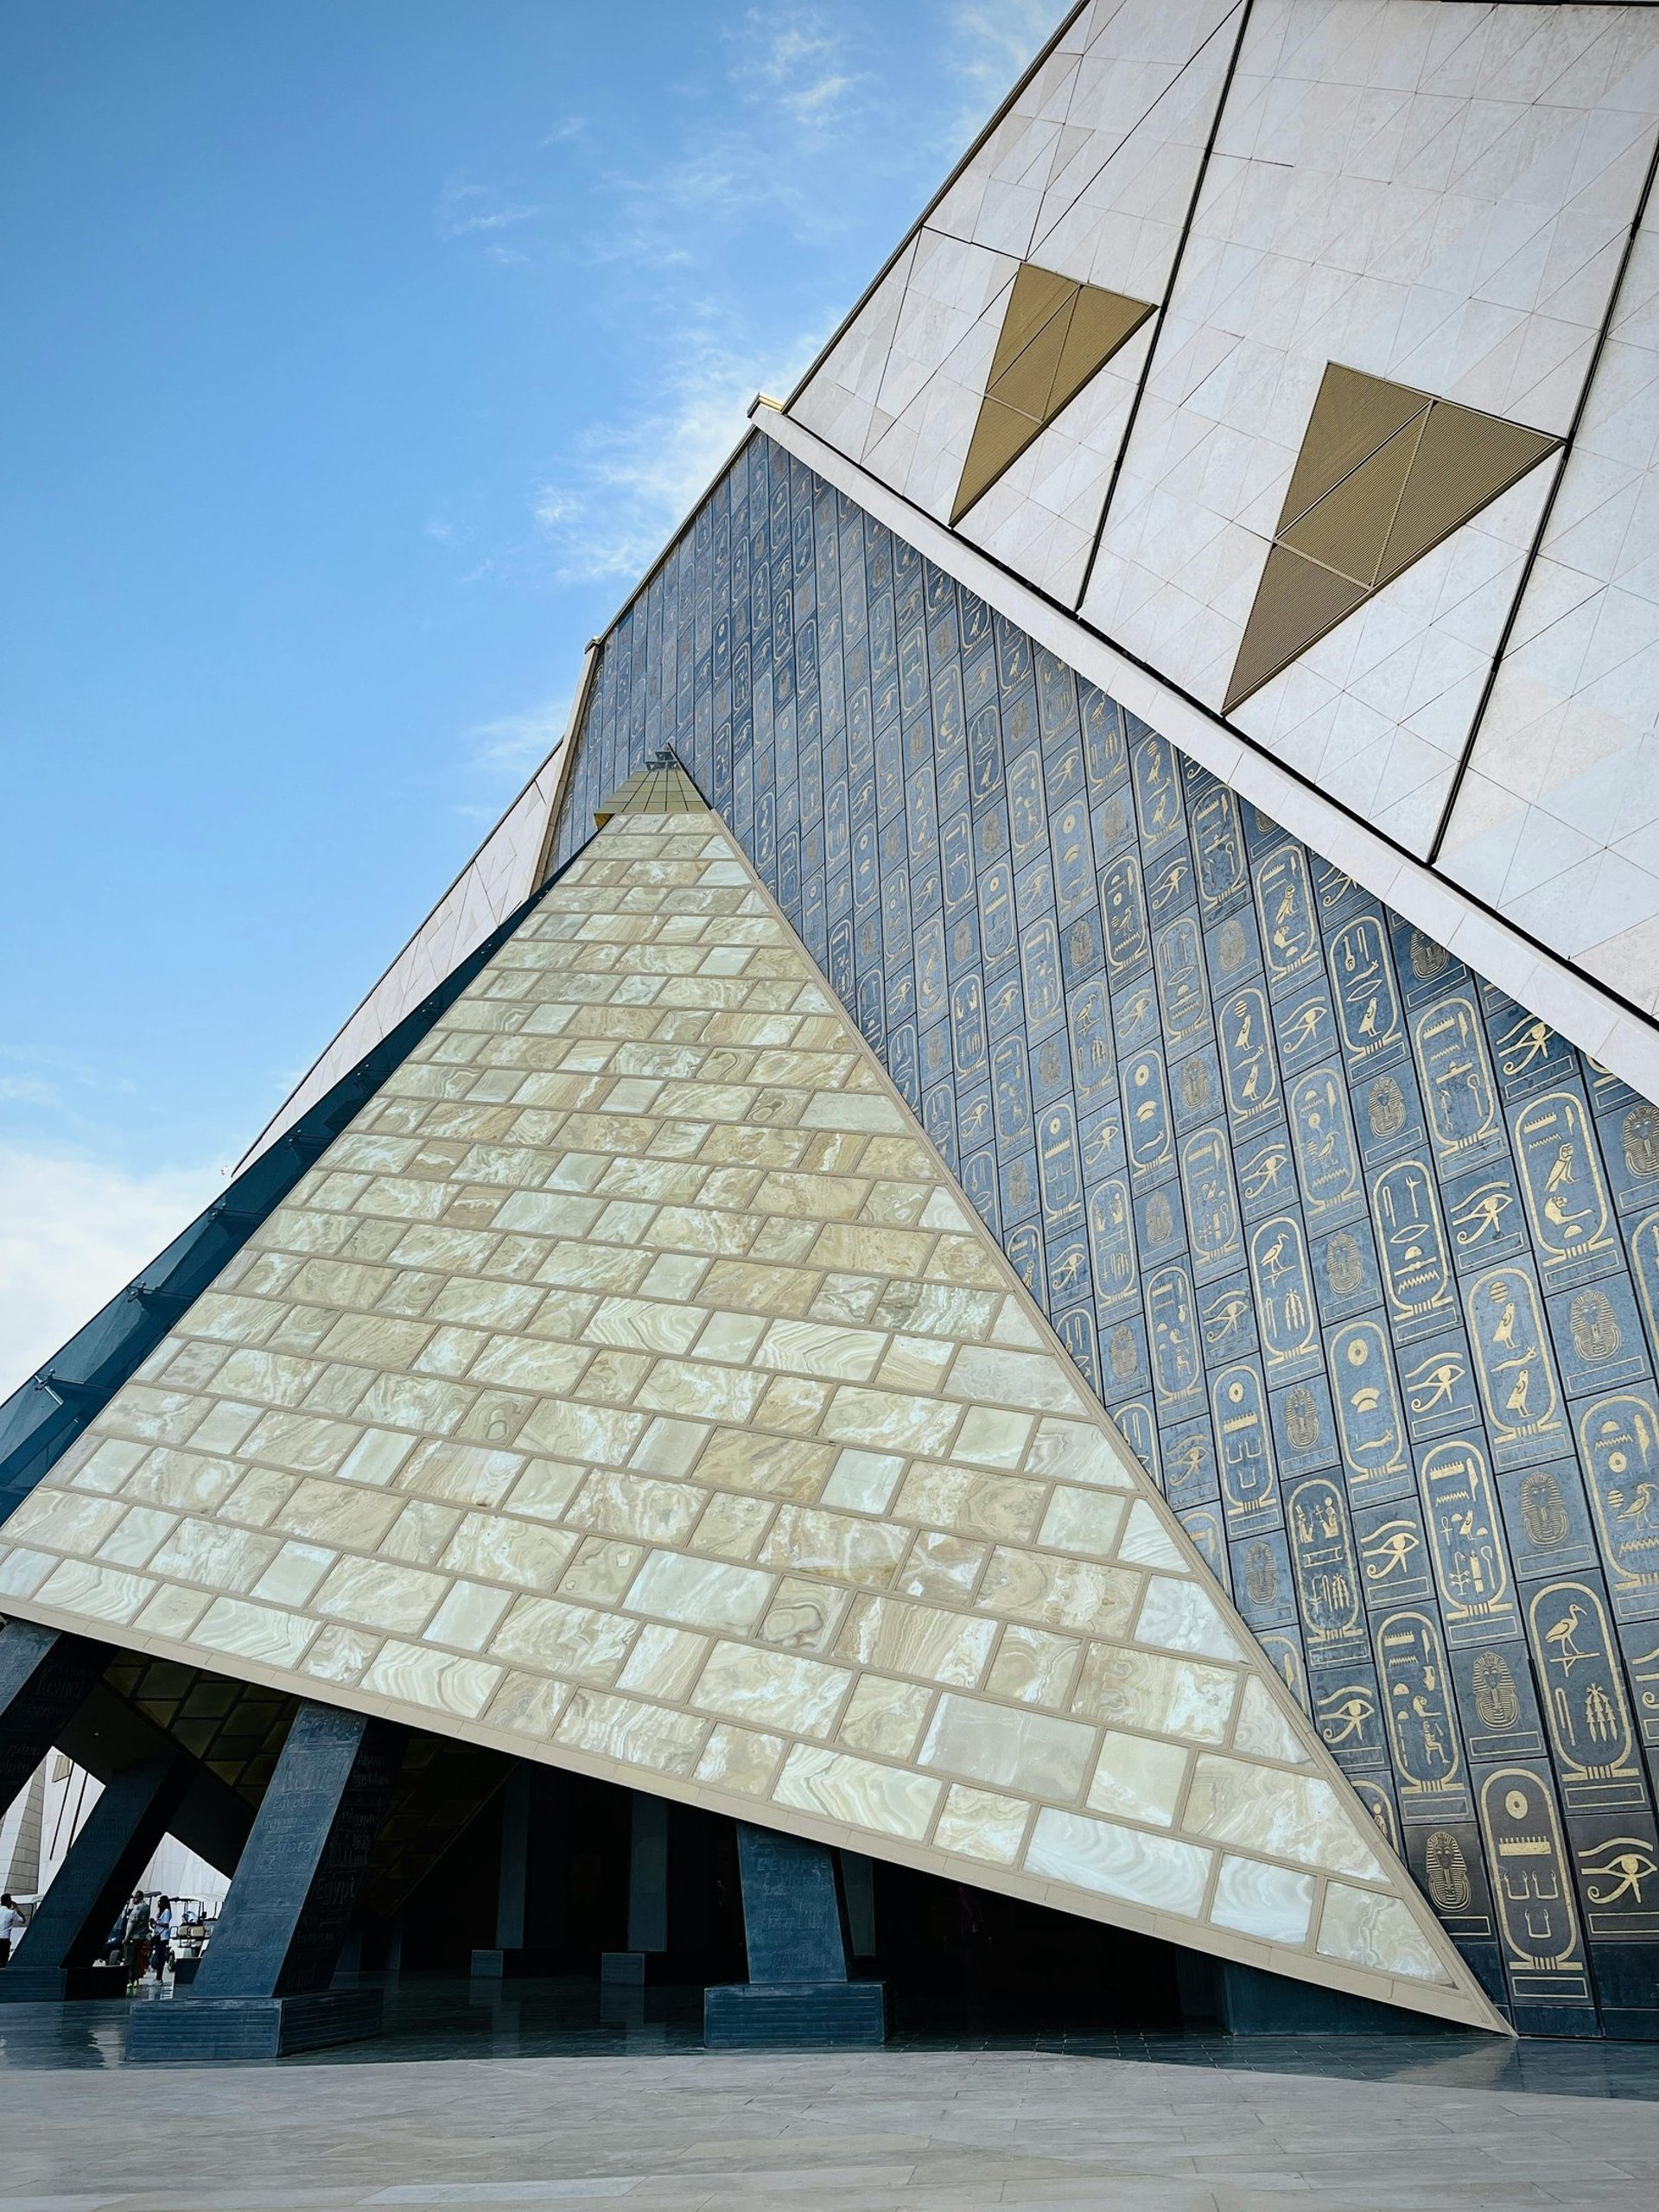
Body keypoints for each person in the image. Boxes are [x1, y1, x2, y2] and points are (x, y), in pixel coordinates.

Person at [120, 1891, 150, 1990]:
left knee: (129, 1959)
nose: (134, 1899)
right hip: (141, 1937)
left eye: (136, 1897)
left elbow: (132, 1923)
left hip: (134, 1937)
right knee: (137, 1959)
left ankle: (129, 1980)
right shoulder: (147, 1907)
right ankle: (136, 1978)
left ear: (140, 1897)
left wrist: (127, 1937)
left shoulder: (138, 1908)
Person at [150, 1896, 173, 1983]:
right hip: (159, 1935)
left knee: (160, 1957)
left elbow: (165, 1924)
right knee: (158, 1956)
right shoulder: (161, 1913)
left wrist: (157, 1922)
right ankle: (157, 1977)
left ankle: (159, 1978)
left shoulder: (167, 1911)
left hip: (163, 1937)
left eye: (160, 1902)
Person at [0, 1892, 23, 1965]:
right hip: (4, 1941)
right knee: (3, 1963)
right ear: (8, 1902)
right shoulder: (11, 1912)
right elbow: (22, 1920)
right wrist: (16, 1907)